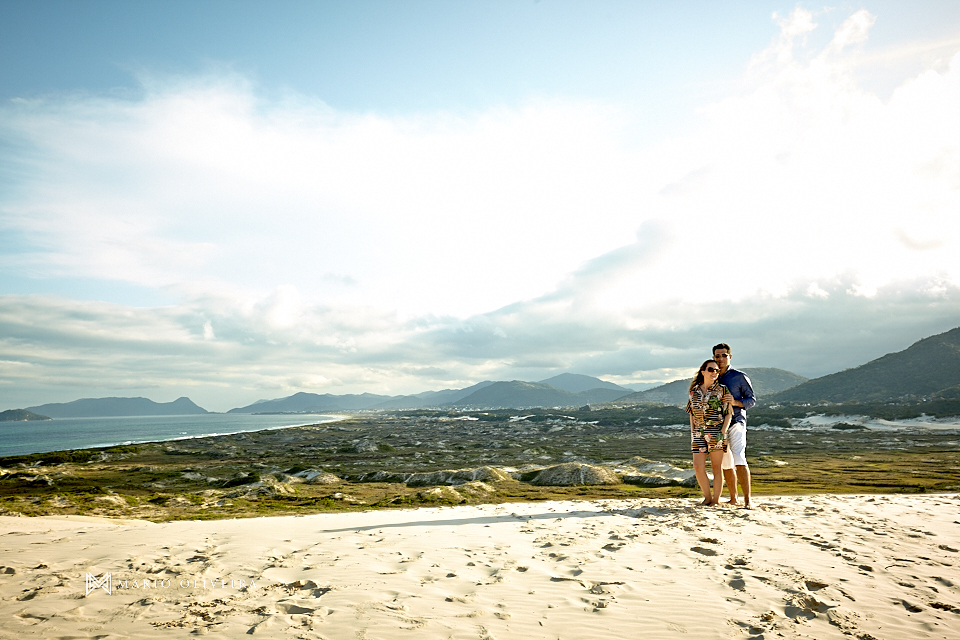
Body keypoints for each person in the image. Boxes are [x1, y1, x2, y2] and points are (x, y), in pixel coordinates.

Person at [714, 343, 757, 509]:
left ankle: (748, 501)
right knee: (725, 462)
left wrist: (735, 402)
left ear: (730, 357)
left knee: (739, 456)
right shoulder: (712, 376)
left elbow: (751, 400)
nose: (720, 359)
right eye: (717, 356)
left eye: (724, 355)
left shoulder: (740, 377)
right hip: (718, 425)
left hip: (737, 421)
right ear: (713, 358)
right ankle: (733, 499)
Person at [685, 359, 733, 506]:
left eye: (717, 370)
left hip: (716, 431)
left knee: (716, 467)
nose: (714, 372)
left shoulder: (722, 389)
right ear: (703, 371)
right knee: (698, 466)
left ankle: (716, 500)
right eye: (711, 369)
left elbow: (728, 412)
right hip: (699, 433)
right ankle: (707, 497)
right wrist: (693, 431)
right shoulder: (694, 391)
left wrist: (723, 431)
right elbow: (691, 412)